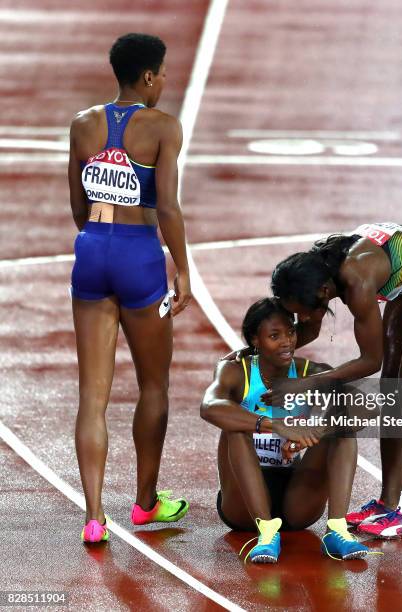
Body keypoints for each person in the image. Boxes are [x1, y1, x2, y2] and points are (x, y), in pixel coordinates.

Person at [266, 222, 402, 538]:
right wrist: (253, 354)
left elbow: (370, 361)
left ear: (324, 293)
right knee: (393, 388)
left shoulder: (356, 278)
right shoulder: (311, 274)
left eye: (306, 310)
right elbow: (306, 329)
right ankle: (387, 502)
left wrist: (310, 382)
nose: (306, 317)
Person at [68, 33, 192, 543]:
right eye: (163, 73)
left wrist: (99, 238)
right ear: (147, 77)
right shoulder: (162, 127)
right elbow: (167, 207)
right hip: (139, 258)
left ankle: (95, 517)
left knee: (91, 398)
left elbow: (77, 203)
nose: (165, 81)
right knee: (154, 385)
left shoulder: (81, 125)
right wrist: (182, 268)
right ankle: (144, 503)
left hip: (92, 254)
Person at [201, 298, 369, 562]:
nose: (286, 342)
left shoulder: (307, 372)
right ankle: (267, 533)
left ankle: (337, 529)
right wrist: (274, 425)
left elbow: (366, 407)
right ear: (255, 340)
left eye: (290, 332)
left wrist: (314, 431)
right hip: (242, 505)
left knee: (342, 428)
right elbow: (209, 406)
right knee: (234, 426)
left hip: (296, 500)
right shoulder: (236, 371)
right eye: (274, 336)